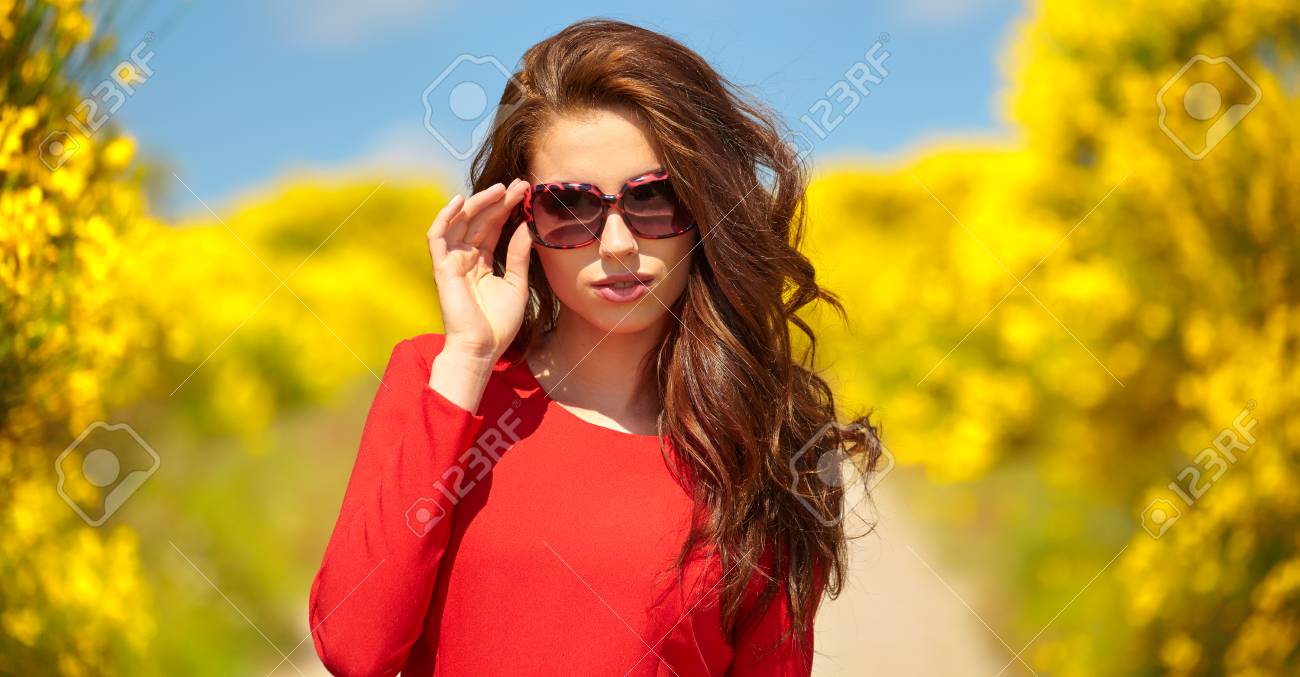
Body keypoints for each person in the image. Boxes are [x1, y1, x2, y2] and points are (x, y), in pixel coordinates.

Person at [308, 17, 880, 676]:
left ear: (705, 206)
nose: (616, 245)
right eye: (571, 206)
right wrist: (468, 361)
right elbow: (355, 647)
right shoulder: (437, 378)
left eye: (656, 198)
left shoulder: (761, 446)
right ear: (522, 218)